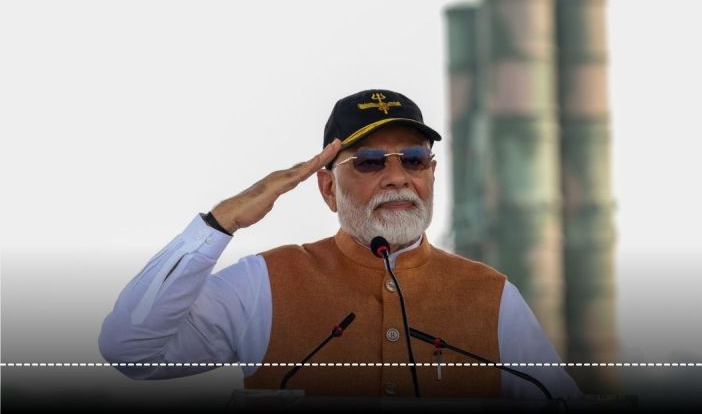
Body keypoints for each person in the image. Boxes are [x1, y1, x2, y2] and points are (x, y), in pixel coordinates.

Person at [99, 89, 581, 402]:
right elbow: (131, 350)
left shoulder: (490, 295)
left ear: (431, 174)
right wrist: (219, 223)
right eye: (370, 162)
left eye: (413, 160)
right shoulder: (265, 283)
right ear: (328, 188)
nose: (397, 177)